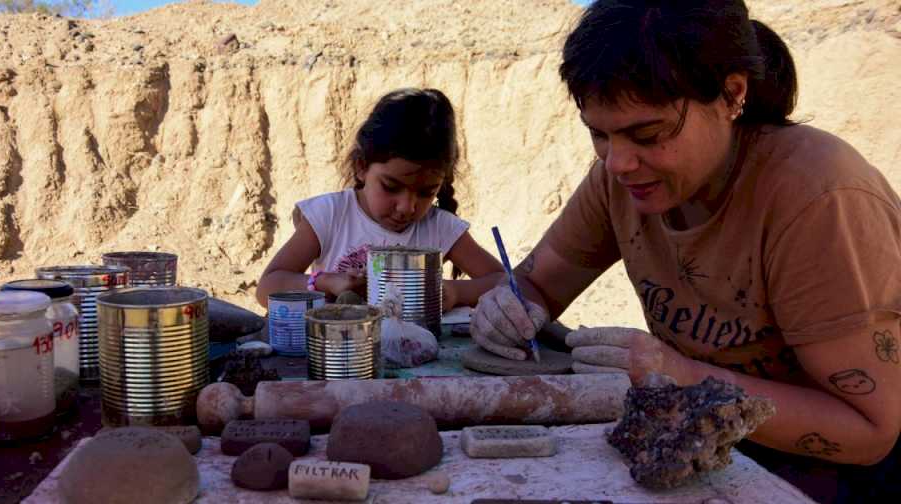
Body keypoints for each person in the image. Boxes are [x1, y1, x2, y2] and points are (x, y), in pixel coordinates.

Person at [470, 0, 901, 500]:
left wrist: (680, 376)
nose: (618, 163)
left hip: (832, 475)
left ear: (731, 95)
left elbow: (870, 430)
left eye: (648, 134)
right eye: (598, 134)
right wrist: (510, 307)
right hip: (707, 441)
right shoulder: (625, 179)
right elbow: (539, 282)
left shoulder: (818, 197)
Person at [257, 88, 503, 311]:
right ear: (362, 167)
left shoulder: (440, 228)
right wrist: (326, 282)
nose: (407, 207)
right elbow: (267, 287)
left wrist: (455, 292)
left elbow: (504, 283)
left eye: (426, 193)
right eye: (391, 187)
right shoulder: (329, 215)